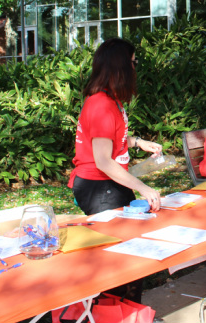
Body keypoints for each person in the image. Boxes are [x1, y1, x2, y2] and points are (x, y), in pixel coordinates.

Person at [68, 38, 163, 301]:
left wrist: (137, 142)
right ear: (121, 66)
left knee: (128, 258)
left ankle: (126, 312)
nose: (136, 68)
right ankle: (117, 312)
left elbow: (107, 142)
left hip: (107, 186)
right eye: (133, 62)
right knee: (122, 262)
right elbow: (103, 160)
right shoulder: (100, 104)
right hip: (100, 187)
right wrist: (142, 187)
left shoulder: (109, 100)